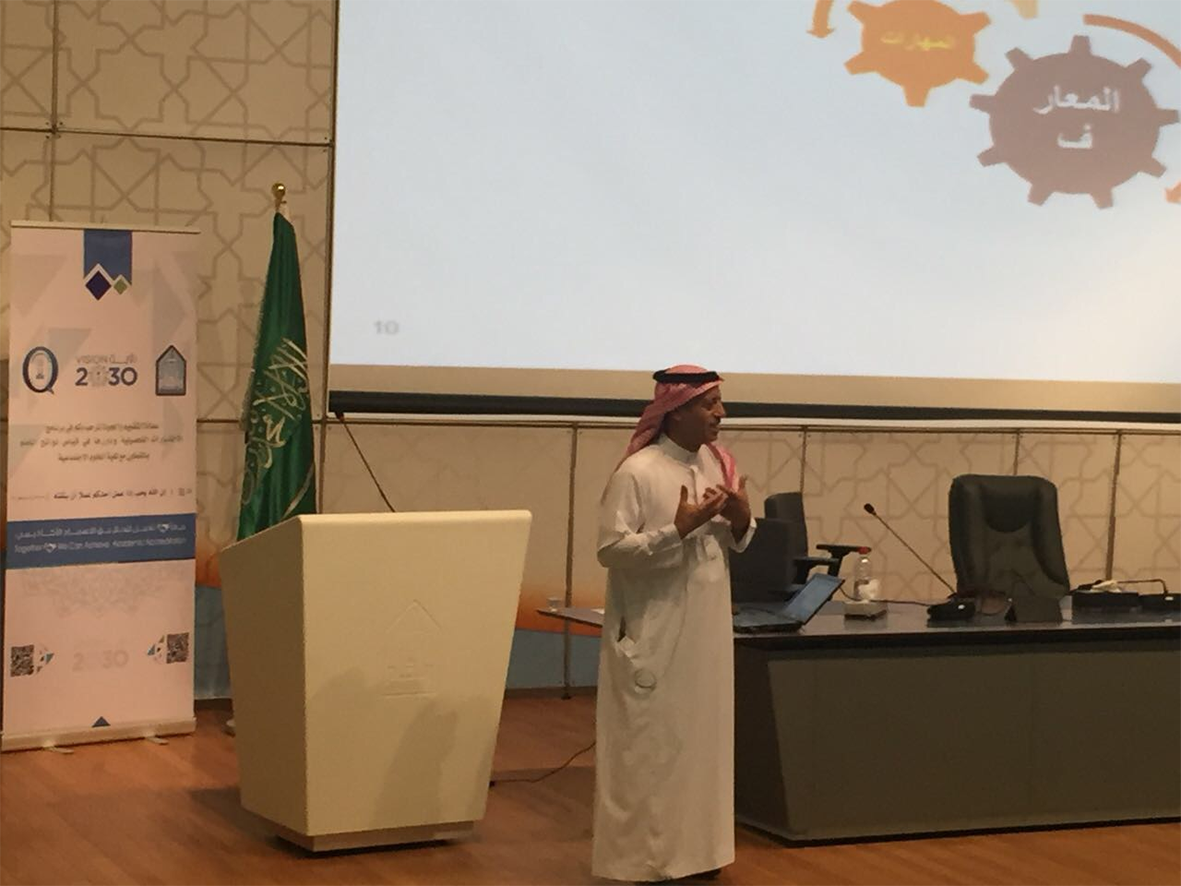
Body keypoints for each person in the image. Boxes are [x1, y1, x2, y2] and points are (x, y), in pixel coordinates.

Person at [592, 365, 754, 883]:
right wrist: (675, 531)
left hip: (706, 633)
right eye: (709, 405)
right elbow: (611, 551)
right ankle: (646, 863)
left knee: (703, 743)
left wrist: (741, 519)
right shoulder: (638, 472)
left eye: (720, 403)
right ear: (676, 411)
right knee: (652, 747)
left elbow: (735, 540)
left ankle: (698, 854)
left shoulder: (718, 464)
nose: (720, 414)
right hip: (654, 633)